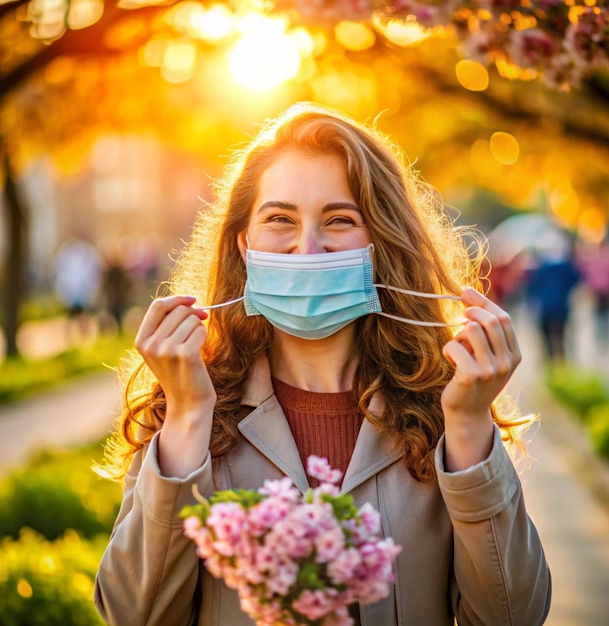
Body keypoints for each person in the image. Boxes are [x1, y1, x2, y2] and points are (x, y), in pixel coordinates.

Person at [94, 102, 551, 626]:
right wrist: (188, 417)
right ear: (244, 246)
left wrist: (470, 426)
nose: (307, 249)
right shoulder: (186, 403)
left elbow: (513, 617)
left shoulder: (445, 408)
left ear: (378, 243)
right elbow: (134, 616)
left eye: (339, 220)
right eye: (279, 219)